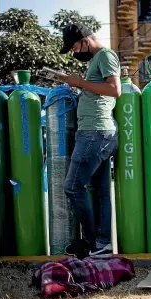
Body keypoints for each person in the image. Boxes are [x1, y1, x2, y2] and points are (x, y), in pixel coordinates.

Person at [59, 23, 121, 258]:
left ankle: (92, 242)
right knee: (101, 190)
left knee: (72, 187)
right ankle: (102, 244)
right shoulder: (97, 59)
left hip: (95, 133)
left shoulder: (105, 55)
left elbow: (115, 90)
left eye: (74, 47)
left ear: (85, 39)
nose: (74, 52)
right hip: (98, 132)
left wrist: (80, 82)